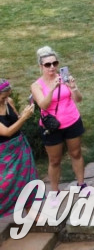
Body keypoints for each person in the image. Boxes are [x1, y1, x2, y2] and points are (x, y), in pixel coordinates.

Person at [30, 47, 93, 202]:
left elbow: (78, 99)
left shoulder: (64, 79)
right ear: (41, 66)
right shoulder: (37, 85)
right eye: (47, 64)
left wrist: (74, 88)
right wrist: (52, 89)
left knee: (76, 153)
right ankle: (55, 191)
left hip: (72, 121)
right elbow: (43, 105)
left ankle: (81, 184)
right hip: (52, 127)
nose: (52, 67)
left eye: (54, 63)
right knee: (55, 160)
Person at [1, 78, 39, 217]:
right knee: (4, 185)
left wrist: (24, 114)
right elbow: (6, 132)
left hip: (19, 146)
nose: (6, 99)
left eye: (7, 96)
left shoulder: (9, 102)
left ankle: (30, 210)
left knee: (28, 178)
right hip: (3, 153)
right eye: (3, 97)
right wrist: (24, 118)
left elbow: (16, 121)